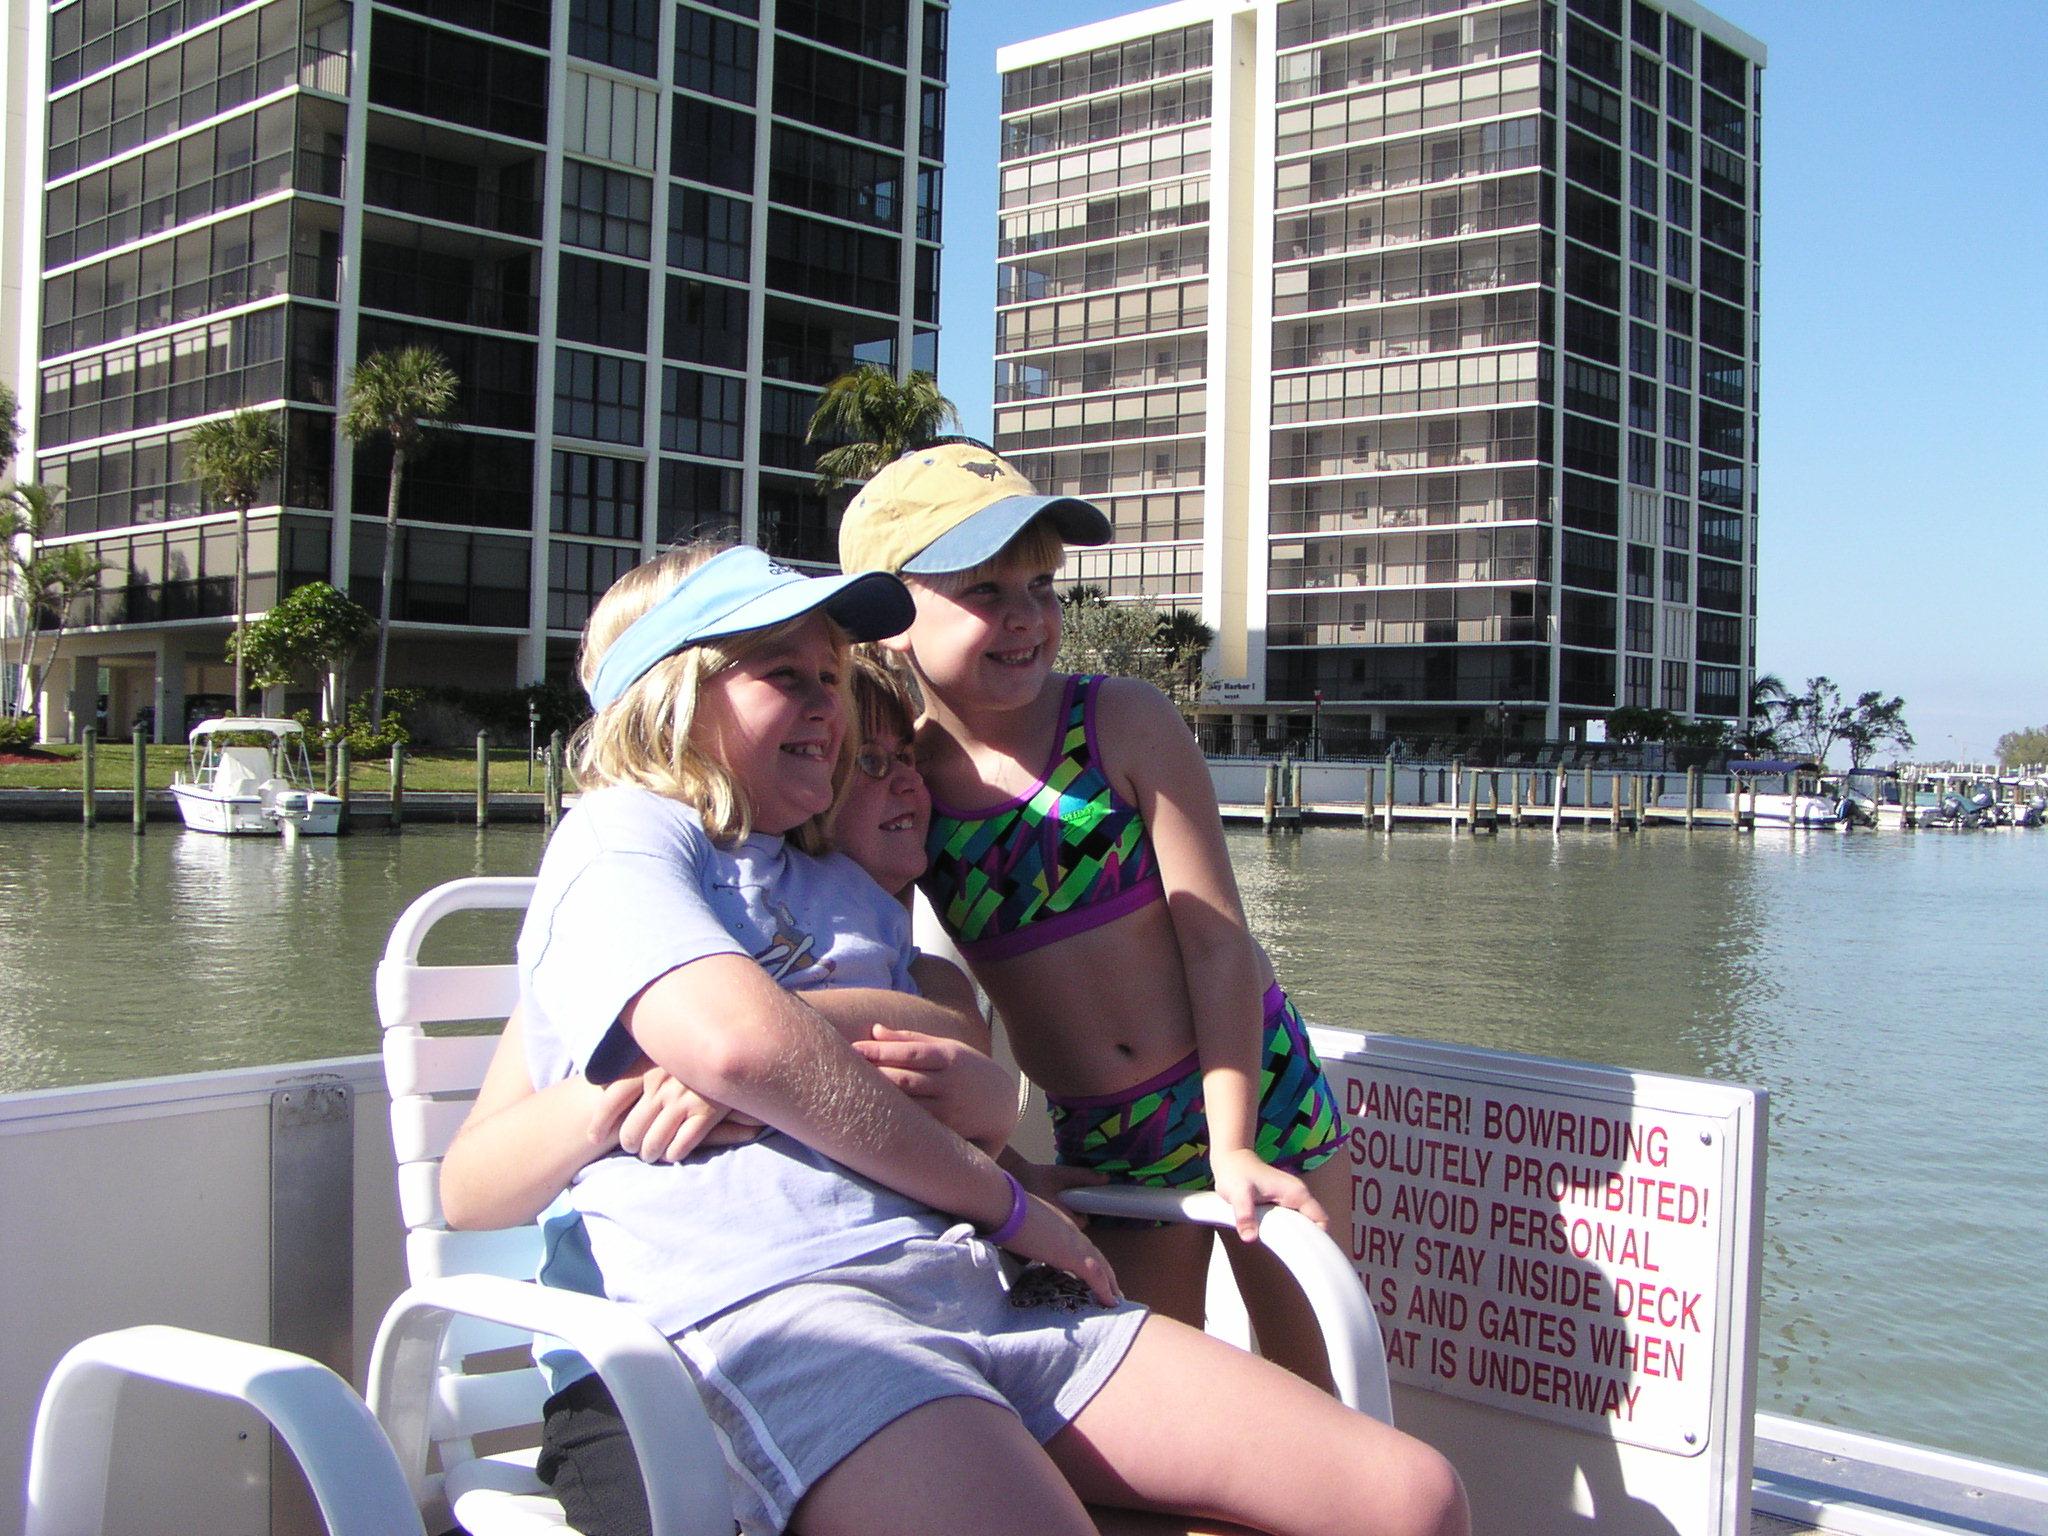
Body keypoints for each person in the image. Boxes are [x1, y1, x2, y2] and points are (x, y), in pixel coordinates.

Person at [486, 538, 1467, 1536]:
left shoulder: (844, 886)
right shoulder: (618, 842)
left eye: (832, 677)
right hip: (781, 1309)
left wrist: (939, 1102)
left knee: (1408, 1500)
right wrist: (1004, 1204)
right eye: (788, 676)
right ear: (670, 693)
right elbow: (734, 1049)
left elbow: (947, 1045)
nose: (826, 707)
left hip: (958, 1284)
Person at [838, 445, 1354, 1387]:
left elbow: (1216, 942)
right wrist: (995, 1160)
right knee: (1178, 1400)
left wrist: (1231, 1140)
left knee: (1311, 1382)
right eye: (985, 592)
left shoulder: (1120, 721)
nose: (1027, 617)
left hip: (1254, 1089)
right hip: (1108, 1144)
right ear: (891, 618)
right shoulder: (904, 784)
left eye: (1042, 587)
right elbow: (913, 980)